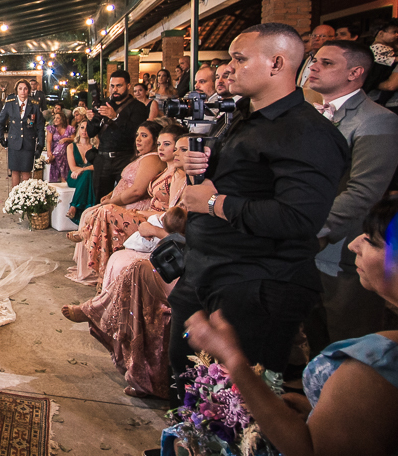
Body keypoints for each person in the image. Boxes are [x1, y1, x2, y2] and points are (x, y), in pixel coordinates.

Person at [161, 194, 398, 456]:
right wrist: (306, 404)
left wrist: (233, 359)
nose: (353, 243)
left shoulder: (382, 363)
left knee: (187, 447)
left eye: (371, 240)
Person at [171, 22, 348, 402]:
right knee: (191, 381)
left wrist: (215, 204)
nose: (228, 69)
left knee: (233, 402)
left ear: (277, 63)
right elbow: (236, 178)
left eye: (239, 59)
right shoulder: (241, 117)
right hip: (207, 269)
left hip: (255, 282)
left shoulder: (306, 132)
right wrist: (197, 163)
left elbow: (299, 218)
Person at [304, 40, 398, 352]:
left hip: (342, 247)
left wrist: (310, 229)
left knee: (347, 340)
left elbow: (364, 192)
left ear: (355, 72)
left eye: (327, 63)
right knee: (314, 337)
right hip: (304, 246)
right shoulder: (310, 114)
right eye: (315, 60)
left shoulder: (377, 118)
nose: (314, 66)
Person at [63, 203, 188, 399]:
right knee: (138, 267)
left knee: (139, 270)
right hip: (181, 261)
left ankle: (94, 310)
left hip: (194, 275)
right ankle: (96, 309)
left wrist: (157, 231)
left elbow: (195, 244)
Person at [66, 120, 171, 285]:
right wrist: (110, 194)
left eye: (144, 136)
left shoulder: (152, 159)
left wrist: (112, 201)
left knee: (101, 211)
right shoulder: (142, 157)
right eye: (137, 135)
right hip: (122, 201)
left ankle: (99, 270)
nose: (138, 139)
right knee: (91, 211)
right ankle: (91, 265)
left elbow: (137, 191)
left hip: (134, 206)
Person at [86, 70, 150, 197]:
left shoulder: (138, 107)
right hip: (103, 158)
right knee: (100, 199)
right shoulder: (104, 103)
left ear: (128, 86)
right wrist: (91, 120)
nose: (115, 89)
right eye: (112, 86)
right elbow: (91, 133)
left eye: (119, 86)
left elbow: (134, 133)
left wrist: (115, 117)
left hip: (125, 158)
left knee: (124, 197)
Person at [0, 81, 44, 187]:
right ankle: (15, 197)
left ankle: (25, 198)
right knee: (15, 171)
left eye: (25, 88)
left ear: (29, 90)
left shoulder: (34, 105)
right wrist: (1, 137)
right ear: (16, 90)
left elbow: (40, 126)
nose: (23, 91)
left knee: (26, 171)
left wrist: (40, 144)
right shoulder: (10, 104)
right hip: (14, 142)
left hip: (28, 142)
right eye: (20, 88)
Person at [65, 127, 98, 222]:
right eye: (82, 128)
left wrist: (83, 169)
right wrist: (82, 170)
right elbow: (73, 167)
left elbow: (97, 166)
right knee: (88, 174)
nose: (85, 130)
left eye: (88, 128)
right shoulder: (71, 146)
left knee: (88, 174)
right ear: (78, 129)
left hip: (89, 176)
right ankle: (87, 212)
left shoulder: (95, 146)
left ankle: (74, 205)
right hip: (74, 177)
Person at [298, 23, 335, 87]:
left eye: (322, 36)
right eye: (314, 36)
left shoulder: (332, 60)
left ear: (332, 38)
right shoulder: (308, 58)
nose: (316, 39)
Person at [46, 111, 75, 183]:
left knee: (63, 144)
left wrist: (66, 139)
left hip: (67, 151)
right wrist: (49, 152)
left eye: (58, 118)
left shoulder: (70, 128)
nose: (55, 119)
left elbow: (74, 139)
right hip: (56, 150)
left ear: (63, 119)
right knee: (60, 147)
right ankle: (63, 178)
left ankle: (53, 158)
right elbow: (49, 141)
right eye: (54, 118)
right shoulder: (51, 128)